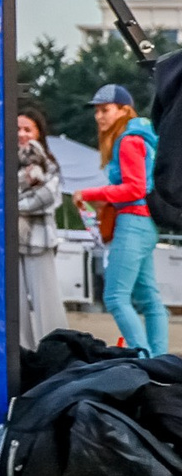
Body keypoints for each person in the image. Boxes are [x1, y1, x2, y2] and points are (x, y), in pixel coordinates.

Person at [78, 84, 167, 357]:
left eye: (105, 110)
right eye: (97, 111)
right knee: (150, 299)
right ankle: (159, 360)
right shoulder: (142, 139)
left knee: (115, 297)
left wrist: (90, 193)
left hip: (132, 221)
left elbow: (134, 189)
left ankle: (141, 357)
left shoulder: (128, 141)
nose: (99, 117)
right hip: (146, 223)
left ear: (124, 110)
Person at [17, 109, 69, 353]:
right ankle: (22, 354)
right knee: (14, 306)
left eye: (28, 129)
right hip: (11, 241)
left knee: (47, 302)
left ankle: (57, 353)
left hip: (40, 240)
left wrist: (12, 207)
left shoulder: (49, 161)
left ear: (39, 132)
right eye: (17, 129)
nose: (22, 134)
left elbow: (48, 197)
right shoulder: (1, 159)